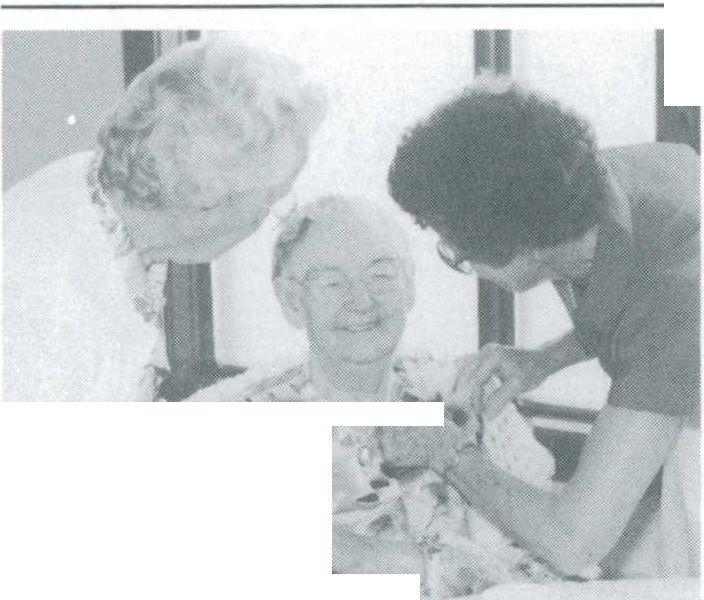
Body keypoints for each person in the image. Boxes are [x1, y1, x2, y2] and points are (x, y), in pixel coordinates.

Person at [383, 81, 700, 578]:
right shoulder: (585, 187)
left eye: (458, 253)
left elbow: (574, 543)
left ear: (519, 252)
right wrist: (546, 358)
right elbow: (627, 295)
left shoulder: (674, 295)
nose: (459, 258)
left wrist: (445, 450)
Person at [3, 37, 325, 401]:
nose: (273, 216)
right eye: (272, 198)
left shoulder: (102, 192)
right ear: (206, 203)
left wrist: (250, 390)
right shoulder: (52, 309)